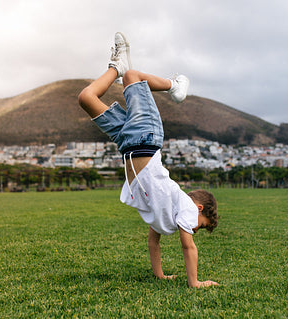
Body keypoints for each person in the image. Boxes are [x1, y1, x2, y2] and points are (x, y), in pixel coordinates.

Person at [78, 32, 219, 288]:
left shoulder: (163, 216)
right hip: (146, 137)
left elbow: (153, 243)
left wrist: (160, 275)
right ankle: (174, 85)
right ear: (199, 209)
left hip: (126, 141)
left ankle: (116, 66)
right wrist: (195, 282)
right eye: (199, 227)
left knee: (86, 98)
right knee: (133, 78)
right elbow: (188, 248)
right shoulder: (186, 207)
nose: (192, 230)